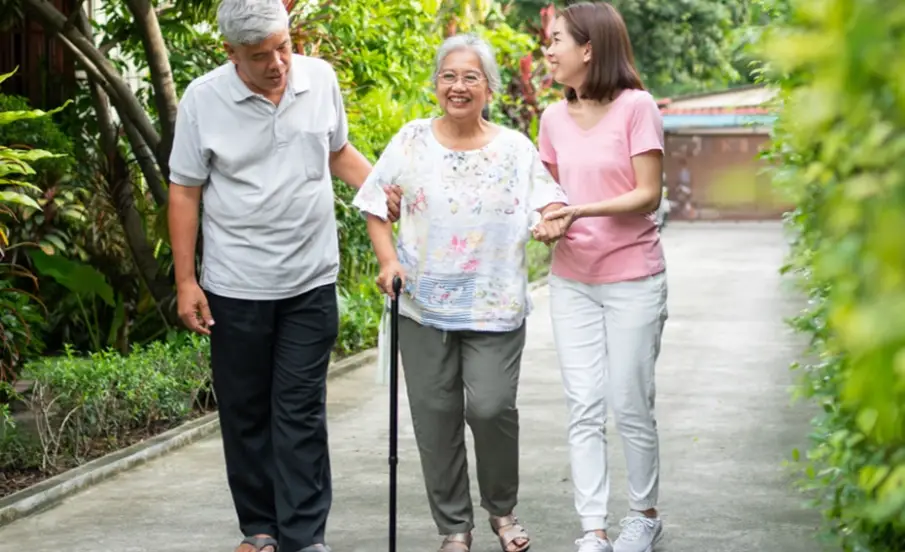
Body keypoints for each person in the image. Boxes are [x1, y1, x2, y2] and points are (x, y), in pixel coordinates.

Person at [167, 1, 399, 551]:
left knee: (299, 412)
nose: (278, 64)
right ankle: (260, 528)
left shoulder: (319, 80)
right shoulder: (204, 99)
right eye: (260, 56)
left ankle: (303, 536)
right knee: (245, 413)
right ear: (231, 54)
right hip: (234, 284)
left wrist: (382, 190)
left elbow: (337, 152)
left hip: (310, 280)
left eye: (284, 47)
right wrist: (185, 281)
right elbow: (184, 190)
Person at [352, 33, 569, 552]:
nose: (458, 86)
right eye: (449, 75)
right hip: (422, 308)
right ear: (435, 84)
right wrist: (388, 261)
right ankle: (454, 527)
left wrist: (551, 222)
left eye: (471, 76)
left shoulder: (515, 149)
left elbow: (550, 202)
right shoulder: (410, 140)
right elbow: (375, 204)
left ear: (489, 87)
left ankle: (502, 509)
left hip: (495, 305)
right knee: (435, 418)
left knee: (492, 408)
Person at [533, 3, 669, 552]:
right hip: (572, 281)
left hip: (633, 277)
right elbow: (548, 196)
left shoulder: (637, 107)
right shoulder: (550, 118)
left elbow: (648, 194)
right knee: (583, 403)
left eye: (556, 40)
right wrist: (544, 219)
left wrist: (579, 212)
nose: (548, 49)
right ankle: (593, 527)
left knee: (629, 400)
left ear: (588, 48)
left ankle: (644, 514)